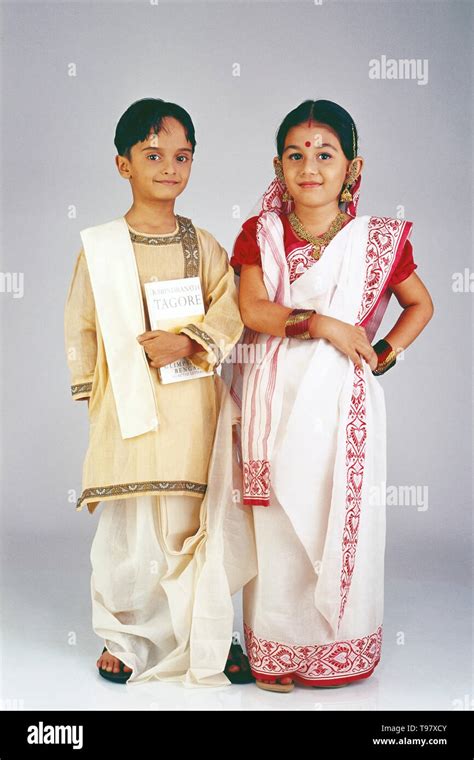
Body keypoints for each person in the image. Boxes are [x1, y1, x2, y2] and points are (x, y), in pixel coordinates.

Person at [228, 99, 434, 692]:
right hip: (274, 395)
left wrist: (383, 354)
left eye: (325, 154)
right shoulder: (261, 233)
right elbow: (252, 310)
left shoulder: (376, 241)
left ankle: (335, 648)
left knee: (335, 514)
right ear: (278, 165)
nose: (310, 167)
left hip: (345, 407)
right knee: (278, 527)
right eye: (296, 155)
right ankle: (275, 647)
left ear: (353, 168)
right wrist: (326, 325)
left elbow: (421, 304)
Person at [64, 98, 256, 688]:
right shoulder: (100, 246)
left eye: (182, 156)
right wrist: (96, 390)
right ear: (124, 164)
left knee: (194, 517)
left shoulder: (201, 243)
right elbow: (82, 322)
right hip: (127, 405)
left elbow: (233, 305)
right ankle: (123, 637)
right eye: (153, 155)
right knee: (131, 522)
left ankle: (211, 635)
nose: (168, 167)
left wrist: (189, 342)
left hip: (192, 404)